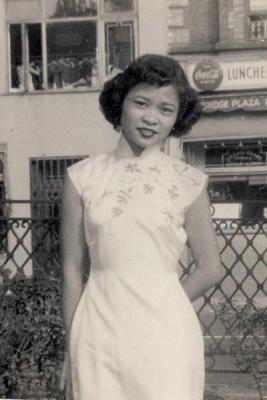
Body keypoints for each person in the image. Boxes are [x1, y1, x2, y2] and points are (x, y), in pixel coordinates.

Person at [60, 54, 223, 400]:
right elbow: (72, 270)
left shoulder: (188, 182)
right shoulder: (82, 178)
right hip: (97, 334)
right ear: (121, 103)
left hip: (166, 335)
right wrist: (72, 343)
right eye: (141, 103)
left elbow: (211, 268)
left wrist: (162, 304)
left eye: (166, 110)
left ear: (178, 118)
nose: (151, 118)